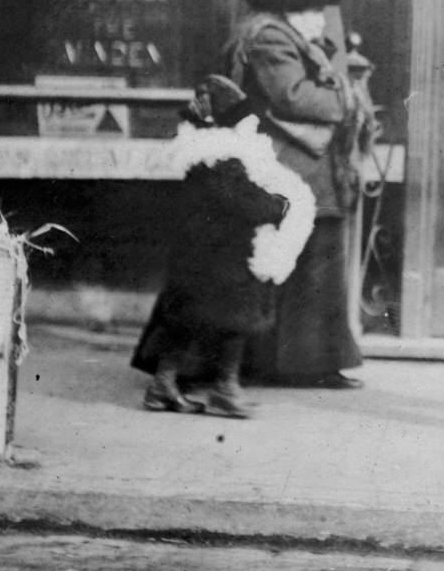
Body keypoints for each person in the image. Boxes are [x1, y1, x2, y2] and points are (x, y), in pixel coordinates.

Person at [226, 0, 376, 389]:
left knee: (313, 266)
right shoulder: (272, 38)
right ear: (286, 10)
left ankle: (309, 363)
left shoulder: (294, 39)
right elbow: (293, 97)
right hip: (291, 168)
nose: (319, 18)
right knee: (301, 264)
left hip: (308, 167)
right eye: (310, 9)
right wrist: (347, 96)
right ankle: (300, 365)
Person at [130, 75, 315, 418]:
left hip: (201, 254)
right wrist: (279, 206)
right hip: (227, 257)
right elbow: (244, 200)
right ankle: (224, 389)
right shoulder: (221, 157)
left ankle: (164, 385)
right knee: (235, 322)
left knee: (187, 320)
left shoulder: (200, 152)